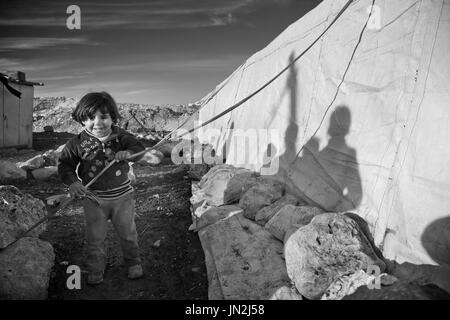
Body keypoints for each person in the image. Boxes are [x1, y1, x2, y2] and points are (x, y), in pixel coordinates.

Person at [58, 91, 145, 285]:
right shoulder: (77, 143)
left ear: (112, 117)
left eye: (103, 117)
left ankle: (133, 263)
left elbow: (139, 150)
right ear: (81, 120)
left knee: (128, 233)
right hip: (94, 199)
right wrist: (73, 182)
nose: (97, 122)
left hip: (122, 197)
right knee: (95, 238)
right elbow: (64, 165)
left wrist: (128, 153)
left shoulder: (121, 136)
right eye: (90, 118)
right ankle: (95, 269)